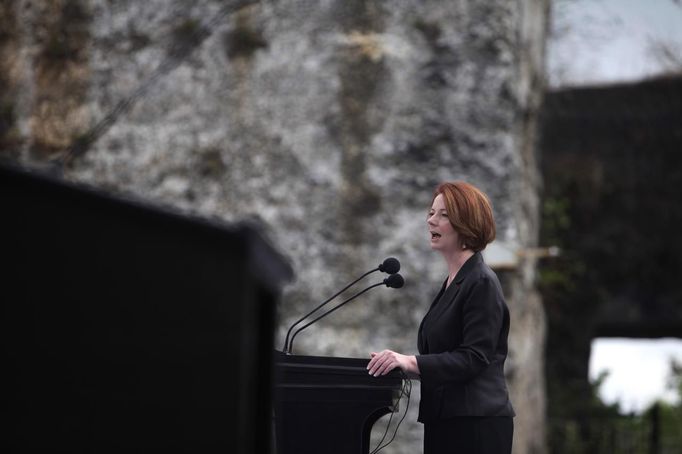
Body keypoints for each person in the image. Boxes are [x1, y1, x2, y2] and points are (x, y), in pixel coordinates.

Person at [367, 181, 515, 454]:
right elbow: (444, 356)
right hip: (446, 419)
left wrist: (410, 361)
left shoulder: (481, 281)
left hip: (475, 425)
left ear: (466, 224)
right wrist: (398, 366)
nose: (431, 221)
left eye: (443, 215)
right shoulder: (455, 281)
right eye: (431, 213)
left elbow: (474, 358)